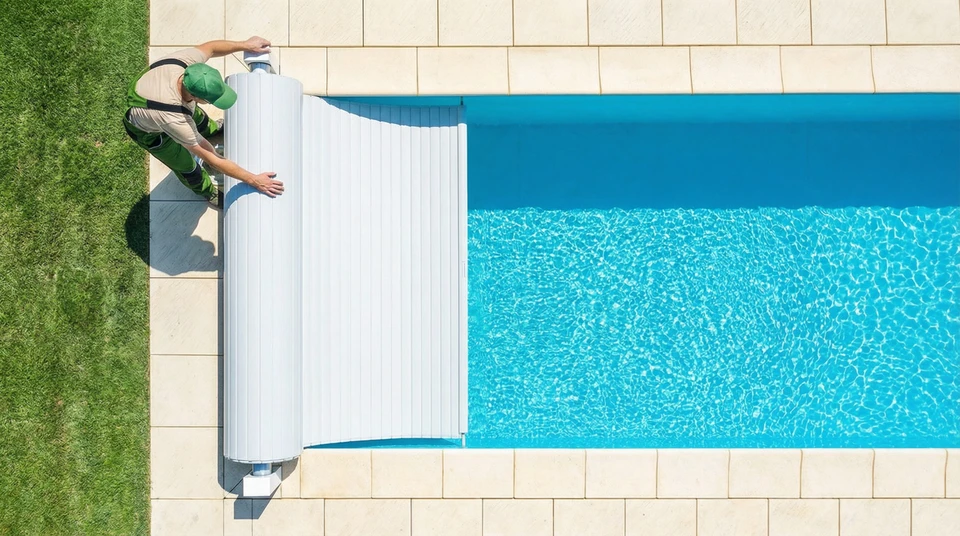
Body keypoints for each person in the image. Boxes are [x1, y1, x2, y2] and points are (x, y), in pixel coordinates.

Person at [122, 36, 284, 208]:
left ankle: (212, 129)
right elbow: (213, 158)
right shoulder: (174, 118)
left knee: (199, 119)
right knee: (186, 165)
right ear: (194, 96)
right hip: (149, 132)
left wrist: (245, 45)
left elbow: (212, 47)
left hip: (163, 99)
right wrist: (254, 180)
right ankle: (207, 191)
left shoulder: (186, 65)